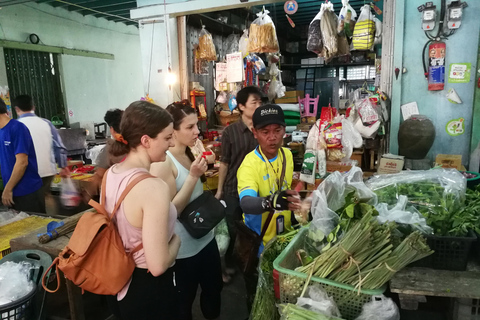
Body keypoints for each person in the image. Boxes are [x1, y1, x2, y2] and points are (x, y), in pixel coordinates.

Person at [104, 101, 181, 320]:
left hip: (117, 281)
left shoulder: (112, 173)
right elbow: (157, 265)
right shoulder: (153, 187)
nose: (172, 142)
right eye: (167, 137)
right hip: (147, 289)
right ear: (146, 141)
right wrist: (176, 241)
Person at [150, 100, 222, 320]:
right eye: (190, 127)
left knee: (214, 290)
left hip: (205, 237)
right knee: (183, 304)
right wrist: (192, 176)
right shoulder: (164, 162)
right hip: (183, 250)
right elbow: (170, 210)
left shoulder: (191, 149)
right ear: (173, 131)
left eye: (197, 125)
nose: (197, 131)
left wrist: (206, 161)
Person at [236, 104, 301, 308]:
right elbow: (246, 203)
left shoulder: (287, 156)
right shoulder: (249, 165)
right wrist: (270, 202)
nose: (272, 137)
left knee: (283, 299)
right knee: (259, 301)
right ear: (255, 133)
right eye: (265, 132)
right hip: (259, 245)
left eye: (277, 131)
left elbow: (286, 187)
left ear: (284, 131)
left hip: (284, 240)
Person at [214, 86, 263, 283]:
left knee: (253, 230)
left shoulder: (262, 129)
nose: (259, 106)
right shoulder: (230, 132)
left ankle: (250, 264)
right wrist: (219, 191)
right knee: (233, 231)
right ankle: (227, 267)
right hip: (234, 189)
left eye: (260, 102)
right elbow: (224, 162)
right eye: (254, 102)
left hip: (258, 190)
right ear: (241, 106)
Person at [13, 95, 69, 212]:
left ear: (17, 109)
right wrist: (63, 165)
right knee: (46, 195)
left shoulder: (15, 126)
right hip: (48, 170)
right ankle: (55, 225)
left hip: (27, 172)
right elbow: (58, 146)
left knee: (29, 201)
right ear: (34, 107)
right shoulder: (46, 123)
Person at [0, 97, 44, 212]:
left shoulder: (17, 128)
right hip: (12, 193)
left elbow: (22, 162)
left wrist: (8, 189)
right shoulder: (1, 131)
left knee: (35, 228)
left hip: (27, 191)